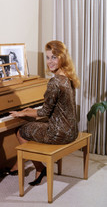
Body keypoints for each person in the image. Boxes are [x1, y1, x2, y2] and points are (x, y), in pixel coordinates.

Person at [8, 40, 80, 186]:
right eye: (47, 57)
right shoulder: (69, 77)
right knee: (32, 122)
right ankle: (17, 166)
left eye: (54, 57)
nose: (50, 62)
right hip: (71, 130)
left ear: (62, 57)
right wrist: (31, 111)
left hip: (58, 133)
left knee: (20, 131)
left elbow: (45, 112)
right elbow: (55, 108)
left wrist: (23, 113)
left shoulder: (54, 82)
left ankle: (40, 168)